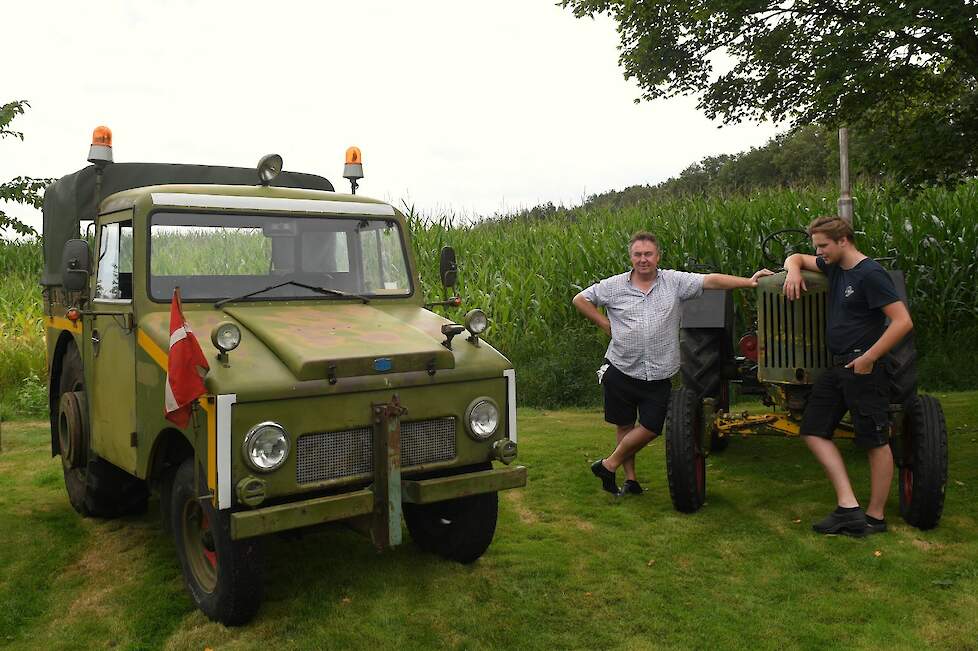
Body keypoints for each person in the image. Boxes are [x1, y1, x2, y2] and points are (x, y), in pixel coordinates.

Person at [573, 231, 773, 496]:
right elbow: (580, 299)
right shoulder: (613, 286)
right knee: (625, 426)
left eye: (648, 254)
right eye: (637, 255)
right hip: (621, 368)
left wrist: (748, 282)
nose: (643, 259)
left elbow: (710, 280)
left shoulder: (674, 281)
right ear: (631, 257)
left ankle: (609, 464)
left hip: (658, 372)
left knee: (651, 427)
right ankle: (630, 480)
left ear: (658, 256)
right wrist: (605, 324)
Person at [783, 216, 913, 536]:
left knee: (874, 440)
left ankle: (875, 518)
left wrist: (870, 357)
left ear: (844, 241)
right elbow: (796, 258)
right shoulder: (836, 267)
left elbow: (902, 321)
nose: (819, 252)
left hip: (864, 367)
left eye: (823, 246)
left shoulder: (871, 274)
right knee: (813, 429)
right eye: (817, 246)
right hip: (838, 366)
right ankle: (849, 507)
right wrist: (794, 270)